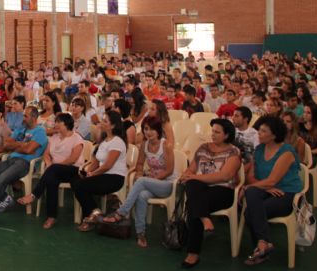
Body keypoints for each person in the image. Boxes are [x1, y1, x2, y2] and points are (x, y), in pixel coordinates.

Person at [102, 116, 176, 248]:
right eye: (146, 129)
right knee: (142, 196)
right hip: (151, 183)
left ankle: (121, 212)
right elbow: (140, 164)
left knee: (141, 181)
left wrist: (148, 179)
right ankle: (140, 233)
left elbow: (169, 170)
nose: (148, 132)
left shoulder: (166, 145)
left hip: (167, 184)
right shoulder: (144, 145)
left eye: (152, 129)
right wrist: (140, 172)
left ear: (158, 130)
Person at [0, 105, 48, 226]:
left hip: (25, 163)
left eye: (25, 116)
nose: (23, 119)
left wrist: (16, 145)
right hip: (11, 159)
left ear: (34, 117)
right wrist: (22, 145)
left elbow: (29, 150)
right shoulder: (21, 128)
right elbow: (6, 144)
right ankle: (4, 197)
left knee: (2, 179)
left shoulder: (40, 132)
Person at [241, 115, 303, 266]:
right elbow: (251, 176)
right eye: (259, 130)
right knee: (252, 193)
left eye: (263, 131)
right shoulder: (259, 150)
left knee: (250, 212)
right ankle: (264, 244)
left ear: (274, 135)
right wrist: (262, 187)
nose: (259, 134)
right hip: (267, 190)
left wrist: (251, 186)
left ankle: (261, 245)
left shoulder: (286, 152)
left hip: (287, 193)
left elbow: (273, 180)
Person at [179, 118, 241, 268]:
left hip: (223, 190)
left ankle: (193, 253)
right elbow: (191, 169)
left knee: (193, 201)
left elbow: (224, 176)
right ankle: (205, 219)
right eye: (212, 131)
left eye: (217, 132)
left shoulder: (233, 152)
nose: (213, 134)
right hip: (200, 188)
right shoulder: (203, 148)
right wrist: (186, 175)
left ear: (226, 135)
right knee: (193, 185)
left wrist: (194, 177)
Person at [17, 113, 85, 229]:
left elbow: (73, 159)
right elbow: (46, 154)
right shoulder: (54, 138)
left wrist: (54, 166)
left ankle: (34, 195)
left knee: (53, 171)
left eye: (59, 122)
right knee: (52, 181)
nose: (56, 124)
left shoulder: (76, 138)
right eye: (56, 122)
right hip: (55, 170)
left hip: (73, 170)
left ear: (67, 124)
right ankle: (51, 217)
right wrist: (49, 164)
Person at [72, 110, 127, 232]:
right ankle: (94, 214)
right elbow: (96, 162)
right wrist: (86, 171)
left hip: (114, 177)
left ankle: (91, 216)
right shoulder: (105, 141)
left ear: (113, 125)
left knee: (81, 186)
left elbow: (108, 165)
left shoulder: (117, 142)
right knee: (77, 181)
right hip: (103, 175)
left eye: (105, 121)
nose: (101, 122)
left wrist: (92, 174)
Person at [232, 106, 259, 174]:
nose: (233, 118)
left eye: (236, 116)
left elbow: (256, 157)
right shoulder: (231, 131)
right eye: (233, 115)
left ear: (245, 119)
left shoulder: (255, 135)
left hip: (246, 166)